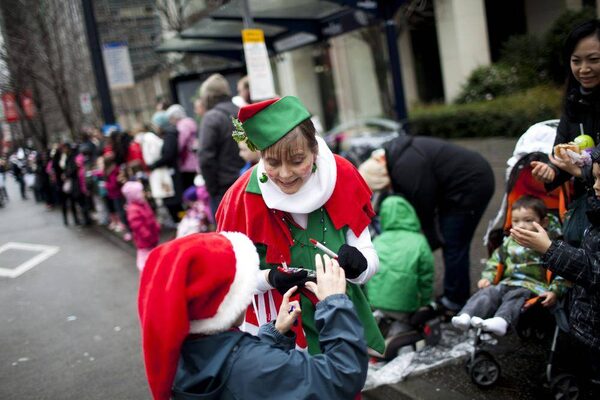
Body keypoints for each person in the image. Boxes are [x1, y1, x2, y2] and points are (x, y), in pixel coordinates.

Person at [216, 96, 385, 355]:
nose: (285, 174)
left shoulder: (342, 176)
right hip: (278, 330)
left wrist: (359, 266)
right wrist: (269, 278)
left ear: (314, 150)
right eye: (273, 163)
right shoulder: (241, 199)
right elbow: (230, 280)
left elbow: (369, 259)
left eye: (297, 161)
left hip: (339, 319)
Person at [138, 232, 368, 400]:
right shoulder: (251, 366)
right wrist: (334, 303)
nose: (249, 295)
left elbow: (240, 371)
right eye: (244, 286)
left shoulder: (179, 354)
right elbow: (342, 376)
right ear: (226, 301)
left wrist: (275, 334)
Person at [511, 150, 600, 388]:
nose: (594, 185)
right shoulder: (594, 210)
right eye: (594, 177)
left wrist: (549, 248)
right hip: (587, 321)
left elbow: (593, 270)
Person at [380, 135, 495, 312]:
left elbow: (424, 205)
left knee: (454, 242)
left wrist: (430, 239)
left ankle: (455, 300)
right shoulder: (398, 154)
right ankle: (455, 294)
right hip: (464, 180)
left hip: (471, 184)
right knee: (451, 240)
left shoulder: (406, 166)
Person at [452, 195, 567, 336]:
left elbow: (562, 271)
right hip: (508, 282)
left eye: (528, 220)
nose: (521, 225)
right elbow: (496, 261)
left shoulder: (549, 244)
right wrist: (488, 277)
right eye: (515, 221)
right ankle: (466, 315)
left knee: (515, 296)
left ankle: (501, 320)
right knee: (488, 292)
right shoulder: (509, 242)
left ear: (543, 222)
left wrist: (555, 291)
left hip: (533, 287)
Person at [530, 20, 600, 245]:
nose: (583, 69)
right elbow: (560, 154)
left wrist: (582, 172)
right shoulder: (573, 102)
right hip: (586, 209)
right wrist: (550, 170)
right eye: (576, 61)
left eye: (594, 60)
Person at [366, 195, 434, 315]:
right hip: (406, 305)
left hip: (374, 302)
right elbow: (426, 276)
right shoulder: (419, 242)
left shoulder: (377, 241)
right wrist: (425, 302)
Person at [196, 73, 245, 217]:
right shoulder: (241, 111)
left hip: (224, 189)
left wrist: (212, 190)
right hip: (247, 181)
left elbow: (205, 158)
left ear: (208, 96)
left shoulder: (211, 118)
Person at [148, 111, 183, 223]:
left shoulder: (169, 136)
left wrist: (154, 165)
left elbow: (168, 155)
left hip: (172, 173)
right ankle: (180, 221)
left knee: (174, 202)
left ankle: (181, 221)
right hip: (171, 172)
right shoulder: (168, 135)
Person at [121, 181, 160, 271]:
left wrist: (156, 227)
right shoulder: (133, 209)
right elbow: (137, 226)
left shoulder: (143, 204)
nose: (143, 193)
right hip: (145, 242)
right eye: (141, 192)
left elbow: (151, 216)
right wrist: (147, 236)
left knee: (154, 258)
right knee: (145, 262)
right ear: (134, 195)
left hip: (152, 238)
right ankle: (147, 274)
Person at [166, 104, 199, 191]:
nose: (170, 121)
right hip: (192, 159)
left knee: (189, 187)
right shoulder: (189, 122)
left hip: (187, 161)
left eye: (171, 118)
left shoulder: (183, 125)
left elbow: (181, 142)